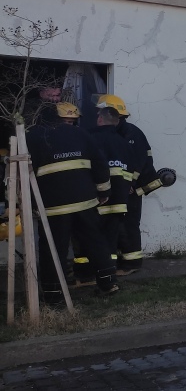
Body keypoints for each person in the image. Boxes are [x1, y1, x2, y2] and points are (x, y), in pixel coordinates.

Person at [27, 102, 119, 303]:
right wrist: (104, 192)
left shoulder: (33, 136)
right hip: (85, 201)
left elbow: (25, 174)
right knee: (95, 242)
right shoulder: (82, 134)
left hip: (53, 206)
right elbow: (100, 164)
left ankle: (53, 295)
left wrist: (29, 203)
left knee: (53, 249)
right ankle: (108, 282)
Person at [94, 95, 156, 275]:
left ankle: (132, 263)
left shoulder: (131, 134)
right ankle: (121, 260)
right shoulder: (116, 133)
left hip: (134, 188)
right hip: (122, 187)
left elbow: (139, 162)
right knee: (117, 225)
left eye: (102, 112)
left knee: (128, 225)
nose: (99, 115)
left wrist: (130, 183)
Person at [89, 107, 135, 274]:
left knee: (93, 237)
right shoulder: (124, 143)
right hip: (119, 202)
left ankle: (93, 271)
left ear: (100, 120)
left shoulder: (91, 139)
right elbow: (129, 171)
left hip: (98, 199)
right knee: (111, 238)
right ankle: (109, 272)